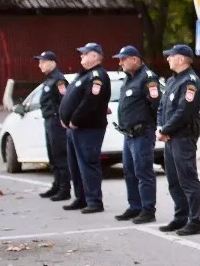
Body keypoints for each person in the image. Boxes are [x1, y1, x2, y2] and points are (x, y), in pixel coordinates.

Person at [58, 42, 112, 214]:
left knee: (88, 164)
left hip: (88, 128)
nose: (81, 56)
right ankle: (81, 198)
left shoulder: (97, 76)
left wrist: (74, 120)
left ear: (95, 56)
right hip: (74, 128)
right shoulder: (83, 75)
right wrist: (64, 118)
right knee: (75, 165)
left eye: (85, 53)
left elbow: (91, 102)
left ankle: (94, 201)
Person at [156, 44, 200, 236]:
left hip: (183, 137)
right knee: (174, 180)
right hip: (170, 138)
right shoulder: (172, 80)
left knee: (187, 179)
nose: (168, 58)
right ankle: (180, 217)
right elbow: (162, 107)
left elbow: (184, 111)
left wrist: (165, 129)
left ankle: (194, 221)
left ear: (182, 59)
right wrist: (160, 127)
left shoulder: (190, 82)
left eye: (171, 56)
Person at [112, 45, 160, 224]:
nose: (120, 63)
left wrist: (155, 126)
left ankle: (148, 210)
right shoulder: (128, 78)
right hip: (128, 134)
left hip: (142, 133)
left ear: (135, 59)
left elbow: (156, 104)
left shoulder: (147, 78)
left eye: (123, 59)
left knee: (143, 172)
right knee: (129, 172)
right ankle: (135, 206)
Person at [35, 51, 71, 201]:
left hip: (56, 121)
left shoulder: (59, 80)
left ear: (52, 62)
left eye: (43, 62)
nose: (40, 65)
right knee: (52, 155)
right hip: (49, 120)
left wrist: (62, 119)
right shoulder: (49, 79)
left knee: (60, 155)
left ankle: (64, 189)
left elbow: (65, 101)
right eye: (39, 62)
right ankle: (56, 185)